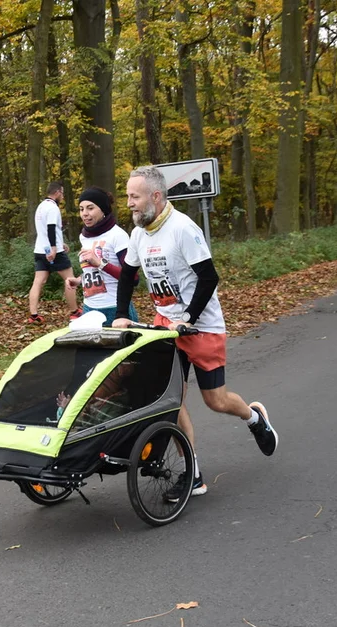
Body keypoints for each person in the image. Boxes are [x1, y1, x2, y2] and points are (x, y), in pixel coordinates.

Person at [112, 166, 278, 502]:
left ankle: (253, 416)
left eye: (134, 196)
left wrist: (188, 317)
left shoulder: (183, 229)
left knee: (215, 400)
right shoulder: (139, 232)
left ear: (155, 197)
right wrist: (119, 315)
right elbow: (128, 275)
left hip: (201, 327)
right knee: (170, 401)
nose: (128, 202)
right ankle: (194, 473)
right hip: (165, 328)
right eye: (128, 195)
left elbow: (209, 278)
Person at [64, 187, 138, 326]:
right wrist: (79, 280)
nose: (85, 214)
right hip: (89, 308)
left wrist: (100, 263)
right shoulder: (84, 236)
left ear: (103, 209)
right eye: (81, 209)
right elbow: (93, 271)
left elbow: (133, 278)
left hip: (115, 309)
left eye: (90, 208)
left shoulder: (117, 235)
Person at [28, 182, 80, 324]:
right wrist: (54, 248)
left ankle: (33, 315)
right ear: (57, 192)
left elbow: (45, 230)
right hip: (53, 252)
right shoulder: (53, 208)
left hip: (40, 250)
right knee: (70, 280)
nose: (62, 197)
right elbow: (51, 228)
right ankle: (75, 312)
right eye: (62, 193)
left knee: (38, 281)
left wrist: (59, 242)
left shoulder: (41, 207)